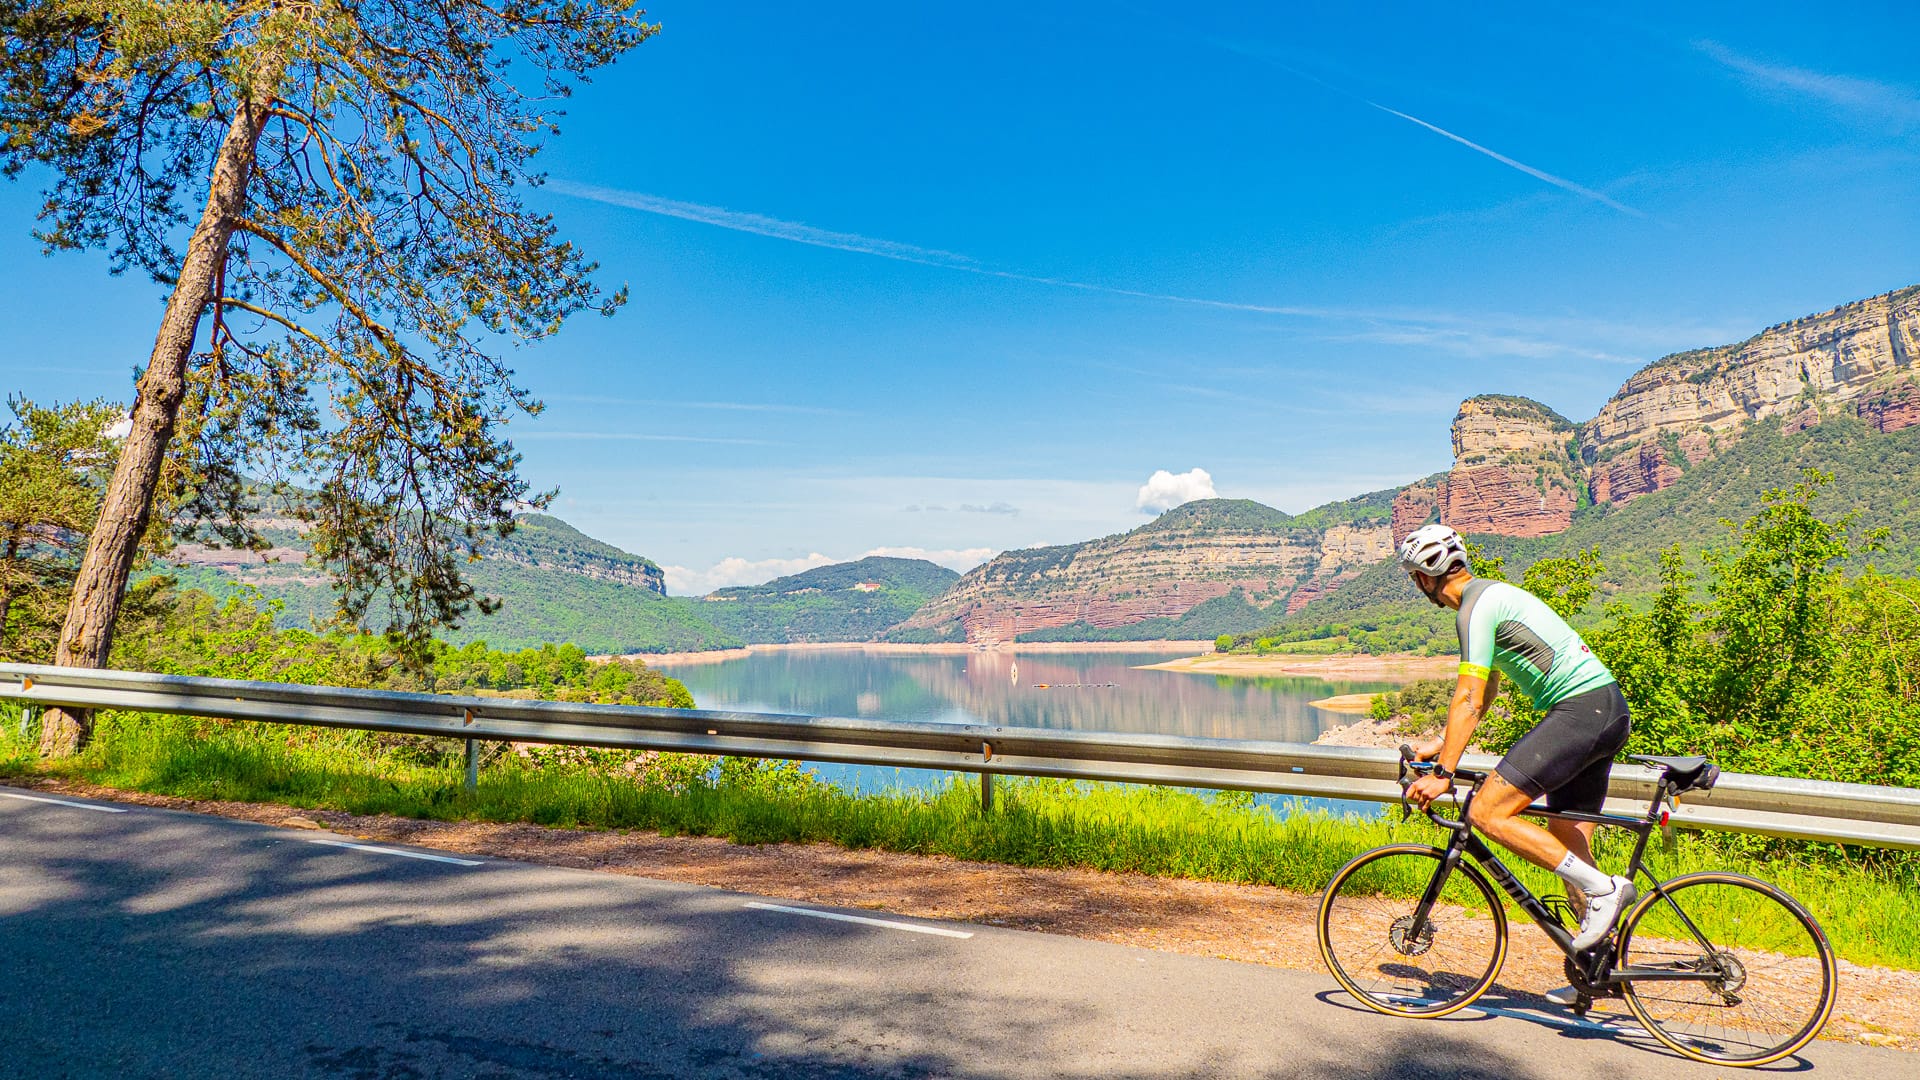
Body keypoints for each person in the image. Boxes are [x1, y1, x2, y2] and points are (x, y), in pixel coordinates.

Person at [1395, 523, 1635, 977]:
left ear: (1425, 576)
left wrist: (1443, 774)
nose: (1416, 586)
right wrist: (1439, 745)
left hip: (1580, 710)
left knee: (1487, 813)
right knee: (1569, 841)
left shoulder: (1474, 609)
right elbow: (1482, 698)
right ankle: (1595, 972)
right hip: (1605, 709)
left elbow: (1465, 698)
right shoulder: (1490, 598)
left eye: (1413, 577)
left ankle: (1605, 892)